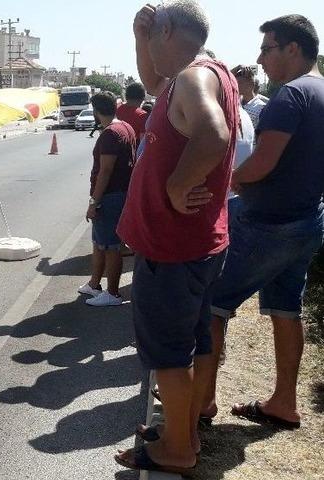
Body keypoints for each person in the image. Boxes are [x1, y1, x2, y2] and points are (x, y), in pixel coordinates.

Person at [114, 2, 239, 475]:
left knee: (169, 354)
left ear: (166, 31)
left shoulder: (192, 79)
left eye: (151, 38)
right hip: (198, 245)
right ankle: (184, 427)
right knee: (196, 344)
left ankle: (178, 448)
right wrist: (138, 40)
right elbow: (154, 84)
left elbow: (214, 133)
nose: (146, 50)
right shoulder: (200, 74)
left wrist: (174, 185)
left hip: (171, 249)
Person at [197, 14, 324, 434]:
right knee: (287, 310)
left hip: (268, 224)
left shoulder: (290, 96)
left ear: (293, 49)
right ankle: (283, 404)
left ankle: (202, 404)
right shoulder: (321, 92)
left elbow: (262, 163)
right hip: (308, 221)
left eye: (267, 48)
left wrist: (226, 181)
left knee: (213, 303)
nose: (260, 58)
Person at [79, 92, 137, 307]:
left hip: (111, 197)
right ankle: (94, 284)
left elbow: (105, 171)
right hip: (119, 194)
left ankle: (112, 293)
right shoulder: (125, 127)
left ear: (95, 110)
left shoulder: (110, 134)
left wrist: (94, 202)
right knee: (99, 243)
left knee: (112, 246)